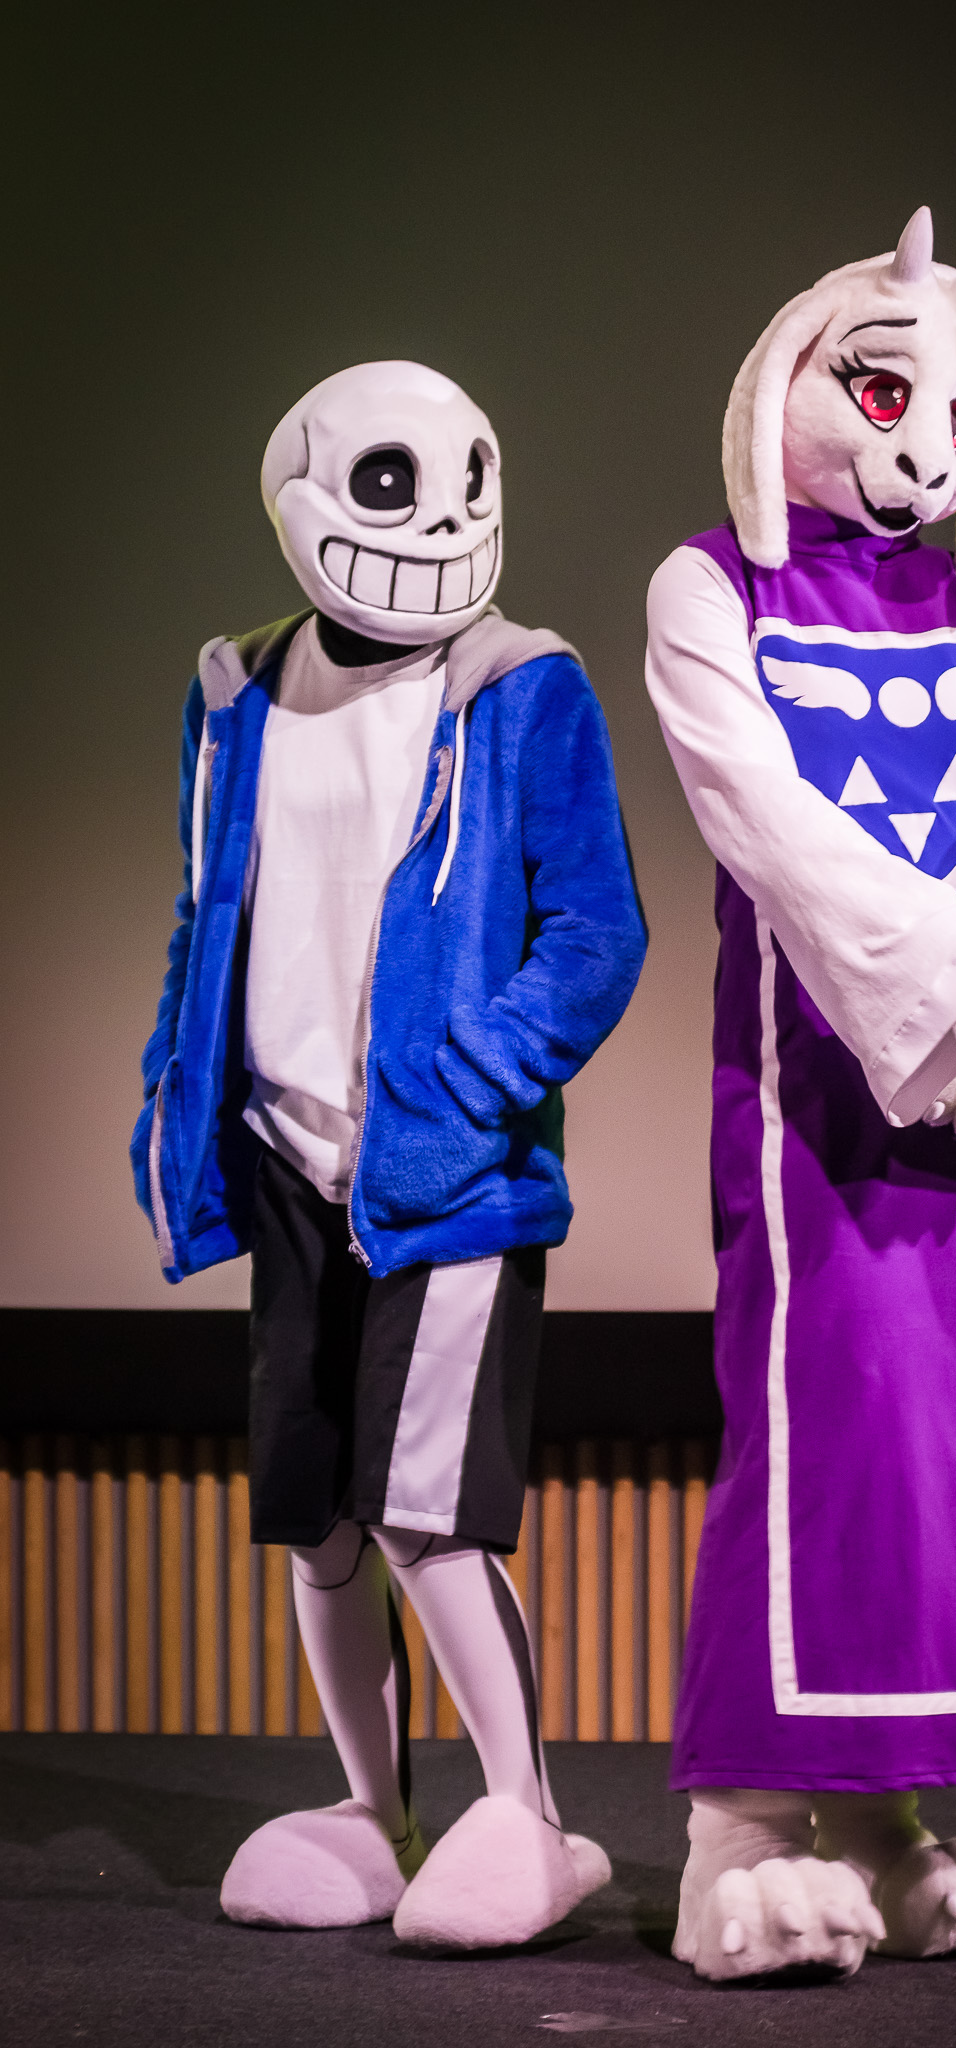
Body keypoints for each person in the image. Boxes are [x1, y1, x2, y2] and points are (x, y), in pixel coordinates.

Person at [645, 208, 956, 1978]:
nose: (930, 446)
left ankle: (885, 1819)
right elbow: (768, 828)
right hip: (824, 1098)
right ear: (791, 378)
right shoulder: (712, 590)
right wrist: (954, 982)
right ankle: (739, 1829)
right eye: (882, 393)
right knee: (826, 1426)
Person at [132, 359, 647, 1946]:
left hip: (448, 1180)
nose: (433, 523)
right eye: (385, 485)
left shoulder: (522, 688)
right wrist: (178, 1091)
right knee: (317, 1521)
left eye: (461, 483)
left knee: (428, 1513)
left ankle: (524, 1817)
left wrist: (464, 1088)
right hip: (289, 1159)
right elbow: (206, 912)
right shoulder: (237, 691)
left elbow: (595, 932)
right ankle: (376, 1811)